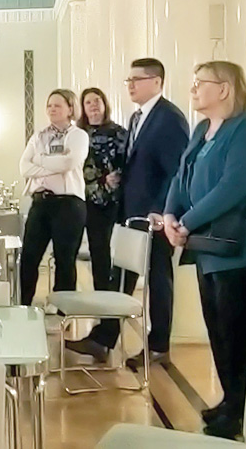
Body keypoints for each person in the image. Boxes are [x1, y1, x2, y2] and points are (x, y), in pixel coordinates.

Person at [161, 61, 246, 439]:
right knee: (216, 329)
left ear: (223, 89)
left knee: (237, 333)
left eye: (200, 83)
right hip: (205, 247)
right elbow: (180, 175)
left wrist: (187, 222)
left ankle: (240, 409)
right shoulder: (202, 129)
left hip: (235, 250)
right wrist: (170, 216)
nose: (193, 89)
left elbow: (236, 184)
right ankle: (229, 399)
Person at [68, 58, 189, 367]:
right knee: (121, 276)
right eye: (129, 80)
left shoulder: (169, 118)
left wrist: (161, 210)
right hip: (132, 213)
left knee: (158, 279)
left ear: (157, 82)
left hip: (154, 217)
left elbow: (177, 172)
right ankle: (104, 339)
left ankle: (158, 345)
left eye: (138, 79)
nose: (131, 85)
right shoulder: (138, 118)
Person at [18, 89, 89, 305]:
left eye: (58, 105)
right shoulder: (39, 136)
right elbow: (24, 167)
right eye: (49, 105)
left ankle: (63, 311)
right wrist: (53, 163)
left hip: (68, 204)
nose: (52, 109)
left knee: (64, 260)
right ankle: (23, 306)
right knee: (29, 257)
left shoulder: (78, 135)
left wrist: (40, 160)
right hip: (41, 203)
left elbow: (69, 163)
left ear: (70, 109)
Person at [77, 88, 128, 306]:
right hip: (79, 198)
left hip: (106, 201)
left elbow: (128, 161)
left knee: (101, 250)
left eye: (97, 101)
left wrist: (117, 177)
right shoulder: (77, 134)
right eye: (88, 102)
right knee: (72, 250)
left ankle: (105, 302)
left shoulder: (119, 132)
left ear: (105, 104)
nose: (93, 105)